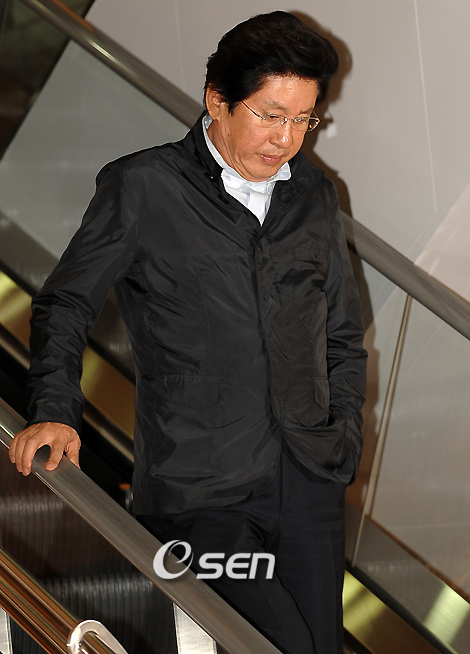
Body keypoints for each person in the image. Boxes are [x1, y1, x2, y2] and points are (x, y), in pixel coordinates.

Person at [10, 11, 367, 654]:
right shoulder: (143, 186)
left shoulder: (315, 195)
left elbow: (341, 334)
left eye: (303, 120)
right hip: (198, 490)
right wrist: (55, 410)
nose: (286, 139)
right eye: (270, 115)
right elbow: (65, 303)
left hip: (308, 483)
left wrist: (342, 437)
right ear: (217, 100)